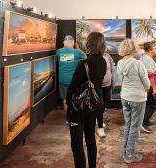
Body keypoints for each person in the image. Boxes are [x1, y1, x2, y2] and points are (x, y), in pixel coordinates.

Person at [66, 32, 107, 168]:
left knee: (77, 144)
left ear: (88, 43)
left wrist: (67, 105)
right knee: (90, 139)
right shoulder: (103, 61)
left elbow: (72, 88)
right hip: (94, 105)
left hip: (79, 108)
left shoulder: (83, 63)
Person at [117, 39, 150, 164]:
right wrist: (146, 88)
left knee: (128, 124)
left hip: (125, 97)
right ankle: (130, 155)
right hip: (138, 99)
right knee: (135, 127)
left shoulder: (120, 63)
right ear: (133, 48)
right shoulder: (138, 64)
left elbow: (121, 81)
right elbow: (147, 84)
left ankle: (126, 150)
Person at [56, 35, 86, 113]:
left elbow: (56, 60)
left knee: (65, 99)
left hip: (63, 80)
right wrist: (78, 48)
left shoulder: (59, 51)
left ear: (64, 42)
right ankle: (75, 117)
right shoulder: (77, 52)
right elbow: (85, 57)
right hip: (73, 80)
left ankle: (68, 119)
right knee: (75, 98)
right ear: (73, 43)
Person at [137, 41, 156, 133]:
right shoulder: (148, 59)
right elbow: (150, 75)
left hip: (147, 87)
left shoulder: (143, 57)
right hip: (150, 87)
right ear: (150, 49)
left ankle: (145, 121)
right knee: (153, 104)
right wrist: (154, 89)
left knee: (148, 104)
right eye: (155, 48)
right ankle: (143, 122)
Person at [96, 53, 115, 138]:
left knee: (104, 105)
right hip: (98, 86)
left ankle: (99, 119)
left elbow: (112, 68)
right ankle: (100, 127)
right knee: (101, 105)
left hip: (107, 85)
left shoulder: (107, 56)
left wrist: (113, 81)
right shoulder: (95, 57)